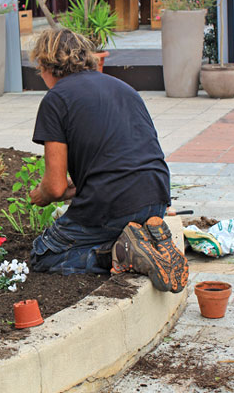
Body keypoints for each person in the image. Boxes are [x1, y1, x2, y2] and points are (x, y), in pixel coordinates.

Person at [27, 28, 188, 293]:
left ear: (45, 65)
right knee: (113, 223)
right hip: (157, 197)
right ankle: (145, 242)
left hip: (112, 204)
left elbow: (54, 189)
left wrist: (42, 195)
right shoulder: (123, 87)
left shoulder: (56, 99)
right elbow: (124, 156)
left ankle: (116, 255)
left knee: (43, 254)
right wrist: (81, 184)